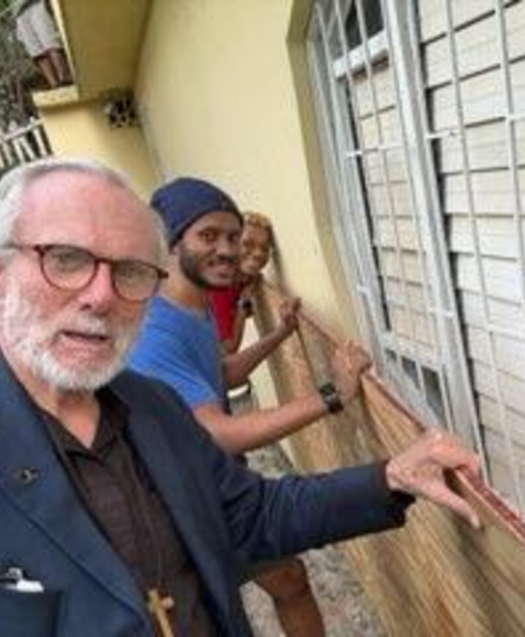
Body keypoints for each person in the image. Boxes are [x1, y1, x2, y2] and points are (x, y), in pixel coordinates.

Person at [0, 157, 481, 636]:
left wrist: (389, 476)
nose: (101, 296)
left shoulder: (152, 407)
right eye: (66, 259)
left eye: (130, 270)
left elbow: (251, 514)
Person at [129, 180, 343, 635]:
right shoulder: (154, 331)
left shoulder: (194, 304)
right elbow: (217, 433)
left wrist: (280, 335)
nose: (228, 249)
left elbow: (221, 374)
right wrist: (331, 395)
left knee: (288, 579)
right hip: (181, 505)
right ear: (169, 243)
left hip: (213, 483)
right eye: (209, 236)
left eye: (233, 236)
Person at [209, 211, 273, 355]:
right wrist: (244, 303)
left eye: (264, 248)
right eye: (247, 244)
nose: (258, 253)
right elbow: (228, 349)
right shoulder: (219, 286)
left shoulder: (241, 277)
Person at [14, 0, 71, 89]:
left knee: (50, 42)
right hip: (18, 12)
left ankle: (64, 79)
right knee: (36, 51)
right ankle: (54, 84)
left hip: (36, 3)